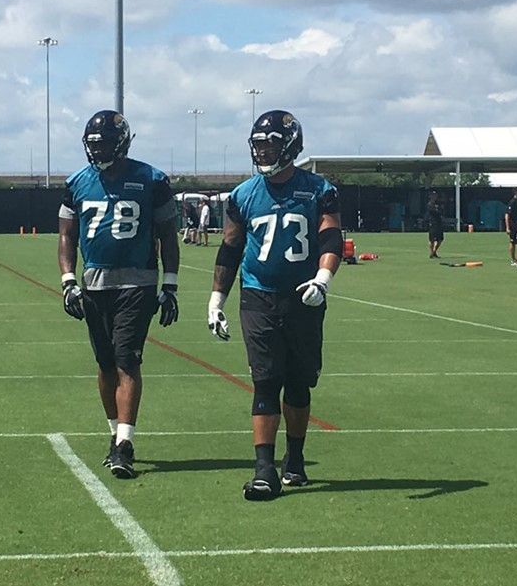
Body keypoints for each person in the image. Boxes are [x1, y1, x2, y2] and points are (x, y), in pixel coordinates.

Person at [206, 110, 342, 501]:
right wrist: (217, 299)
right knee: (266, 380)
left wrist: (323, 279)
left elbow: (332, 238)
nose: (263, 152)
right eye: (259, 145)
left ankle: (294, 458)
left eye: (271, 145)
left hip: (305, 295)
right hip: (258, 295)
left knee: (299, 381)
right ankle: (263, 469)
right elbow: (230, 249)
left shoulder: (319, 189)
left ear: (291, 146)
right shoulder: (244, 194)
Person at [58, 110, 181, 479]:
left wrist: (170, 284)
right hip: (94, 284)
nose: (98, 151)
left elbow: (167, 235)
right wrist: (67, 280)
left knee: (128, 360)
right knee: (105, 364)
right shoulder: (77, 182)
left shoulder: (151, 180)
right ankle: (115, 435)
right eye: (93, 144)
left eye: (106, 143)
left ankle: (125, 445)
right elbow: (67, 235)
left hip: (137, 284)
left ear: (123, 143)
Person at [505, 187, 517, 266]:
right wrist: (507, 227)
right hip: (513, 225)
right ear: (515, 192)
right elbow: (507, 215)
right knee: (513, 242)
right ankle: (513, 259)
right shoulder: (512, 202)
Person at [425, 191, 444, 258]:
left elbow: (441, 211)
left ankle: (434, 251)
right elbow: (434, 212)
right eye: (433, 195)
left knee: (440, 239)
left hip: (439, 223)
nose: (434, 197)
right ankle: (431, 253)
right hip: (433, 223)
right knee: (432, 239)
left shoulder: (438, 204)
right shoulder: (429, 204)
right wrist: (437, 210)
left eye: (435, 195)